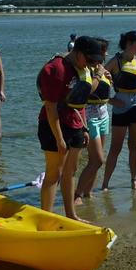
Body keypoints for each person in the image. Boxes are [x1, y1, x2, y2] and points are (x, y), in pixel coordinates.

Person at [36, 36, 105, 221]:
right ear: (79, 53)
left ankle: (71, 215)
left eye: (95, 62)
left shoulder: (83, 69)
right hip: (53, 125)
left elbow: (80, 101)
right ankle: (46, 219)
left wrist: (84, 128)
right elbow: (50, 107)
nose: (91, 65)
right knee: (53, 174)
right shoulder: (55, 69)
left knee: (70, 172)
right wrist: (59, 139)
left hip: (75, 124)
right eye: (90, 60)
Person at [101, 31, 136, 190]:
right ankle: (105, 184)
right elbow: (97, 83)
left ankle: (134, 181)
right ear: (128, 44)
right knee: (115, 148)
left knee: (134, 144)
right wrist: (110, 100)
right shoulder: (115, 61)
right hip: (120, 106)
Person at [74, 38, 112, 203]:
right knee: (97, 160)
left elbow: (107, 92)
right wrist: (99, 74)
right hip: (89, 115)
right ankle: (77, 195)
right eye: (104, 52)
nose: (106, 55)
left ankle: (88, 192)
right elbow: (88, 91)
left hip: (103, 113)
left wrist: (108, 78)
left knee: (96, 160)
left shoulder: (101, 69)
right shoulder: (87, 70)